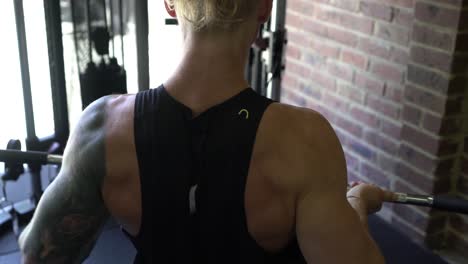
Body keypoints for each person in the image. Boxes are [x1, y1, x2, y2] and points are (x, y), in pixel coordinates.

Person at [18, 0, 394, 263]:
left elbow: (37, 254)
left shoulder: (99, 127)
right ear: (264, 7)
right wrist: (356, 203)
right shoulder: (306, 140)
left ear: (169, 3)